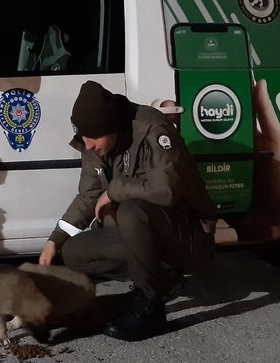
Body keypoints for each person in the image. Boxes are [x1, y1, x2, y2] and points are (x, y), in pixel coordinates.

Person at [38, 80, 217, 341]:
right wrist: (55, 239)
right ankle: (162, 278)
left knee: (132, 211)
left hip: (189, 235)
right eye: (84, 137)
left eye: (94, 138)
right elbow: (88, 196)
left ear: (113, 128)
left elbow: (165, 190)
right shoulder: (93, 142)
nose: (88, 146)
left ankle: (150, 307)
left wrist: (114, 190)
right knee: (74, 253)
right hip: (146, 235)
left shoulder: (151, 128)